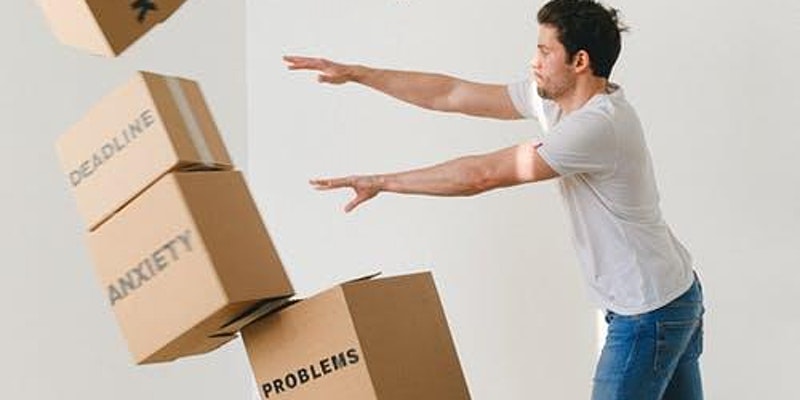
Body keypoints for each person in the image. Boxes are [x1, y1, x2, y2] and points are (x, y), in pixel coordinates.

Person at [284, 0, 704, 398]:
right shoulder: (559, 105)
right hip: (672, 293)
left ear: (580, 62)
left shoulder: (598, 126)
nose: (533, 62)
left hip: (648, 314)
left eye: (544, 51)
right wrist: (360, 73)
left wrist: (381, 181)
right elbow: (450, 93)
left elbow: (480, 176)